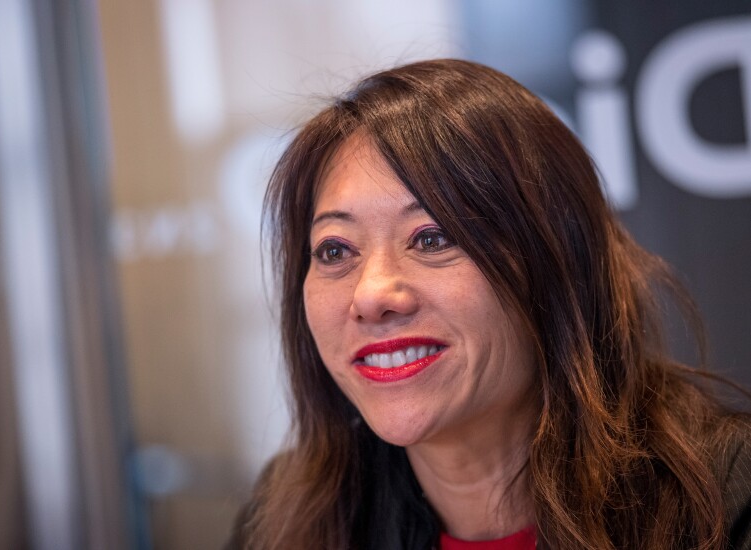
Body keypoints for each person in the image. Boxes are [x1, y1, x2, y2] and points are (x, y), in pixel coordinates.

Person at [225, 59, 751, 549]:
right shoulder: (280, 518)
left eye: (431, 238)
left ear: (556, 261)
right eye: (335, 250)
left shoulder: (727, 494)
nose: (371, 295)